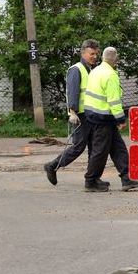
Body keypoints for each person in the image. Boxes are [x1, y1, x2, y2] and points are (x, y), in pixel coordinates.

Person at [83, 47, 138, 192]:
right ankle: (91, 181)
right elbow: (114, 101)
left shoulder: (96, 70)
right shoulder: (110, 75)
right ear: (115, 60)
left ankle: (127, 178)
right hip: (103, 117)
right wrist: (121, 119)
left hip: (95, 115)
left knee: (118, 148)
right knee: (100, 151)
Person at [43, 39, 100, 186]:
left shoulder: (92, 69)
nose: (94, 56)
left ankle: (92, 179)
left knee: (94, 147)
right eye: (92, 53)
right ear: (83, 53)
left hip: (91, 114)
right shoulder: (76, 69)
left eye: (96, 54)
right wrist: (72, 112)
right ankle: (52, 166)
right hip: (80, 116)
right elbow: (73, 92)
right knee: (78, 147)